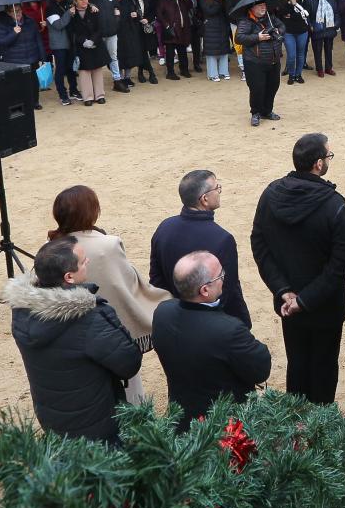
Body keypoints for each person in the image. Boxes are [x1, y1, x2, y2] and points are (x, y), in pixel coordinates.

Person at [3, 236, 141, 442]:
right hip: (96, 425)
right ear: (69, 277)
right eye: (84, 262)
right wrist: (108, 317)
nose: (88, 263)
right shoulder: (89, 318)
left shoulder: (22, 311)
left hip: (53, 417)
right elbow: (129, 363)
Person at [250, 133, 345, 404]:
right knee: (324, 370)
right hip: (324, 307)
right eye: (329, 155)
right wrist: (304, 300)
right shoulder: (335, 206)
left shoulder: (271, 194)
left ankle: (294, 429)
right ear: (318, 164)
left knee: (297, 365)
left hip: (288, 304)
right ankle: (320, 432)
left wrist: (284, 291)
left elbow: (259, 245)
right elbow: (340, 265)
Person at [48, 184, 167, 402]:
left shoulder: (52, 247)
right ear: (92, 211)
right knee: (129, 391)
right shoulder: (108, 245)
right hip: (111, 330)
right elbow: (127, 283)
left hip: (72, 334)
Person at [151, 250, 271, 426]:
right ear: (205, 290)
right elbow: (261, 369)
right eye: (220, 275)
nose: (223, 278)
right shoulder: (229, 330)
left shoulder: (162, 312)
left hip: (181, 417)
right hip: (224, 426)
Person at [149, 170, 251, 329]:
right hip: (211, 325)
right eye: (217, 188)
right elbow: (228, 291)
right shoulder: (222, 239)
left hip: (175, 319)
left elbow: (156, 281)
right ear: (204, 199)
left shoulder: (164, 228)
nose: (219, 191)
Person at [236, 0, 285, 127]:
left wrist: (278, 31)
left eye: (264, 5)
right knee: (257, 88)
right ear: (252, 8)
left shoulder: (271, 17)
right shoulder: (246, 21)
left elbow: (282, 25)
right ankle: (256, 113)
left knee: (273, 86)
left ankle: (267, 111)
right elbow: (239, 38)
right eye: (260, 6)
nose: (263, 8)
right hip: (254, 61)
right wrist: (258, 37)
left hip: (273, 60)